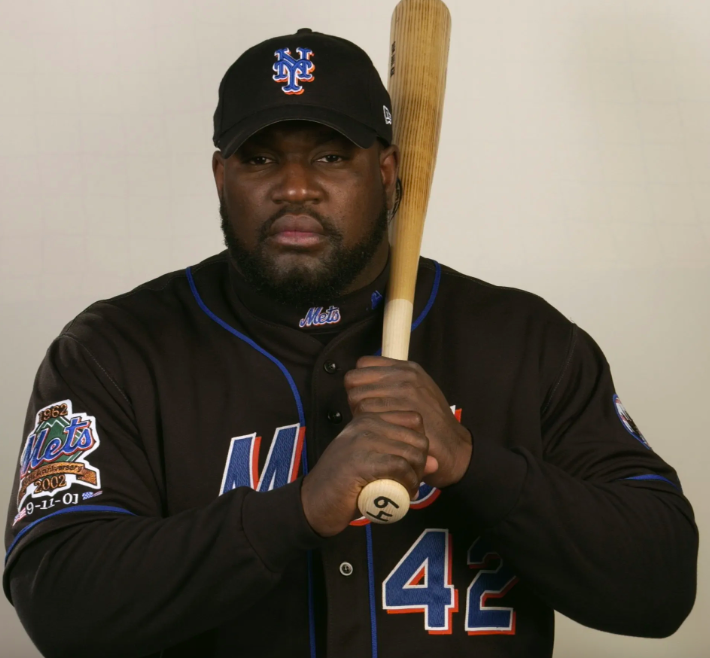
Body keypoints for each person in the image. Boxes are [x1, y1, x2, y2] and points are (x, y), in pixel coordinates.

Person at [3, 28, 697, 658]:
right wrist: (298, 510)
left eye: (332, 156)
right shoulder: (114, 352)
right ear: (221, 177)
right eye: (260, 158)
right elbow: (58, 602)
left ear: (388, 173)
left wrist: (470, 462)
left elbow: (660, 587)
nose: (295, 188)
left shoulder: (524, 342)